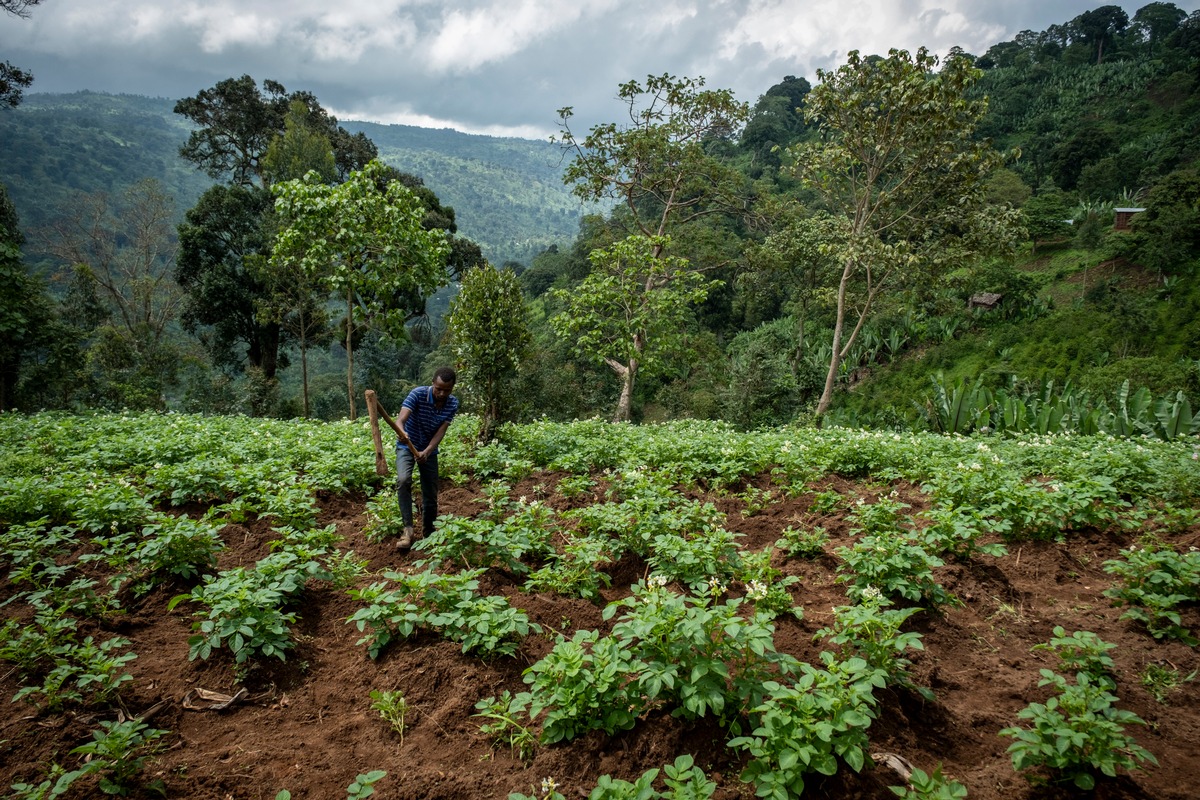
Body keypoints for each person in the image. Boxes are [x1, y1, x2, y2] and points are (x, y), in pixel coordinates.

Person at [394, 367, 459, 550]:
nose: (442, 393)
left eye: (447, 390)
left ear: (452, 388)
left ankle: (429, 532)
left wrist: (428, 451)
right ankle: (407, 531)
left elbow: (441, 431)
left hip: (429, 449)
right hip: (407, 445)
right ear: (432, 383)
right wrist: (402, 432)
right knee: (403, 480)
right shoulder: (417, 394)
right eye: (439, 389)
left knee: (430, 491)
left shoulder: (452, 403)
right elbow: (400, 420)